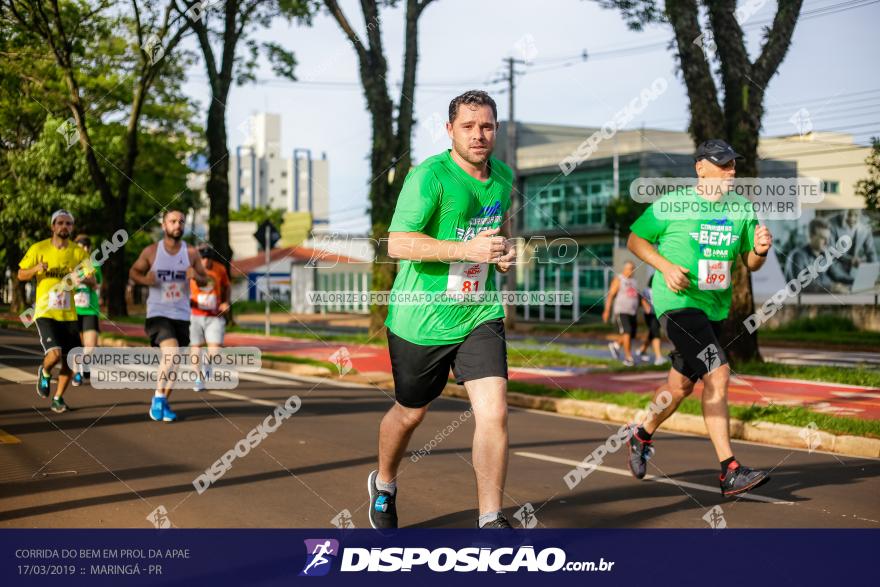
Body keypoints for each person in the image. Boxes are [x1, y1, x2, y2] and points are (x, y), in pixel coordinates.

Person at [369, 90, 516, 530]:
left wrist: (503, 250)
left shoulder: (504, 175)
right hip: (421, 318)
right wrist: (463, 248)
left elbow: (497, 228)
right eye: (468, 126)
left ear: (496, 130)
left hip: (477, 311)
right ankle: (385, 482)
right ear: (449, 130)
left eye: (487, 126)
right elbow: (398, 242)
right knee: (411, 412)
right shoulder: (429, 176)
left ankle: (490, 519)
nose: (479, 135)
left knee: (495, 411)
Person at [626, 139, 774, 497]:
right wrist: (665, 266)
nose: (730, 172)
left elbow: (749, 263)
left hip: (715, 308)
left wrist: (759, 250)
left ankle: (641, 434)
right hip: (677, 303)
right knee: (718, 371)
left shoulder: (741, 208)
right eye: (722, 165)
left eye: (733, 165)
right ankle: (730, 471)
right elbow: (635, 239)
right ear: (700, 168)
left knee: (679, 388)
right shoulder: (674, 202)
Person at [129, 209, 207, 422]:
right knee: (171, 353)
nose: (177, 225)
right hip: (158, 313)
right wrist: (146, 280)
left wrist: (196, 276)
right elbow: (133, 272)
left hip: (182, 314)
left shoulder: (191, 253)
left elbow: (206, 280)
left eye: (181, 221)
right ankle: (157, 399)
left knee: (175, 362)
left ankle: (162, 400)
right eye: (173, 221)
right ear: (164, 226)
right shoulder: (152, 251)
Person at [17, 210, 93, 413]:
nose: (64, 226)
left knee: (70, 360)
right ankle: (46, 370)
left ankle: (58, 398)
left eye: (68, 223)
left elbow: (93, 280)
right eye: (60, 223)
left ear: (72, 227)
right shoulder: (38, 248)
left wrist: (80, 277)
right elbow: (21, 274)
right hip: (45, 312)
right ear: (53, 226)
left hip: (68, 314)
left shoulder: (78, 252)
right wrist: (36, 270)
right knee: (55, 355)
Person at [189, 244, 230, 392]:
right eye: (203, 258)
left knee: (215, 350)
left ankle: (207, 364)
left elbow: (227, 286)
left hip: (214, 315)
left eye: (208, 258)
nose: (205, 261)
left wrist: (226, 302)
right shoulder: (191, 268)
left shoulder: (220, 269)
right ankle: (198, 378)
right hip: (195, 314)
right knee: (196, 348)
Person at [784, 217, 852, 293]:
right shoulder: (797, 256)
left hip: (824, 300)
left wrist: (857, 281)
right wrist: (831, 287)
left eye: (828, 239)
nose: (827, 242)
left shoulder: (825, 256)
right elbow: (799, 285)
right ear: (811, 236)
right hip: (805, 302)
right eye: (823, 238)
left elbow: (839, 275)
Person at [72, 234, 102, 386]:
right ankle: (77, 373)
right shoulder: (68, 263)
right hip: (73, 310)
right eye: (80, 246)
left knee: (90, 346)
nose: (83, 249)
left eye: (86, 246)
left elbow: (95, 282)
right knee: (76, 345)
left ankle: (85, 362)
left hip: (90, 310)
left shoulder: (93, 263)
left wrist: (81, 279)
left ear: (89, 249)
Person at [602, 261, 639, 366]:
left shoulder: (634, 281)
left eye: (633, 268)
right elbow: (610, 296)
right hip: (621, 310)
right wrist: (607, 311)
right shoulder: (619, 279)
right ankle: (628, 358)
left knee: (630, 334)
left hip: (632, 311)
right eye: (629, 268)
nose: (631, 270)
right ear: (624, 269)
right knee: (627, 331)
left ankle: (616, 345)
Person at [828, 209, 877, 276]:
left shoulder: (866, 224)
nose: (852, 218)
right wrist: (849, 260)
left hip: (853, 269)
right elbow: (831, 250)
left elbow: (871, 251)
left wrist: (874, 270)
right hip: (834, 265)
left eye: (856, 215)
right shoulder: (831, 223)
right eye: (849, 215)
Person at [637, 271, 665, 366]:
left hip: (658, 314)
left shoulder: (661, 290)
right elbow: (643, 299)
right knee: (656, 333)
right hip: (650, 315)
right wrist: (646, 307)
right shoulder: (647, 290)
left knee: (652, 333)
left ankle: (642, 349)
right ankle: (658, 357)